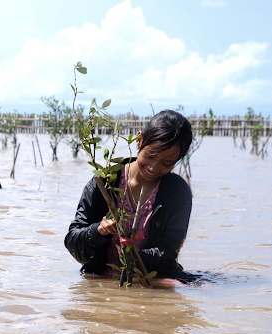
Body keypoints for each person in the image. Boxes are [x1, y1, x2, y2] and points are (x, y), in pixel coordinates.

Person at [64, 110, 199, 286]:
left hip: (153, 279)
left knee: (198, 289)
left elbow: (168, 253)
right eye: (150, 155)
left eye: (166, 164)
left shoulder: (177, 191)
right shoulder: (104, 183)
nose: (153, 167)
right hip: (103, 278)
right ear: (139, 141)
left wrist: (136, 255)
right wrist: (98, 231)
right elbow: (72, 241)